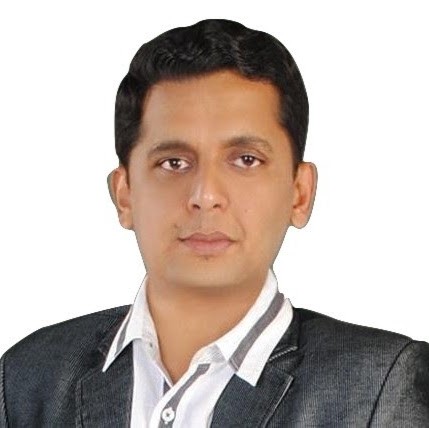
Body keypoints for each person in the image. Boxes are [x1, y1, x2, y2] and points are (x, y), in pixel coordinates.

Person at [1, 18, 428, 427]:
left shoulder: (379, 385)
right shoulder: (28, 379)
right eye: (173, 162)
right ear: (124, 194)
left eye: (246, 160)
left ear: (300, 192)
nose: (205, 196)